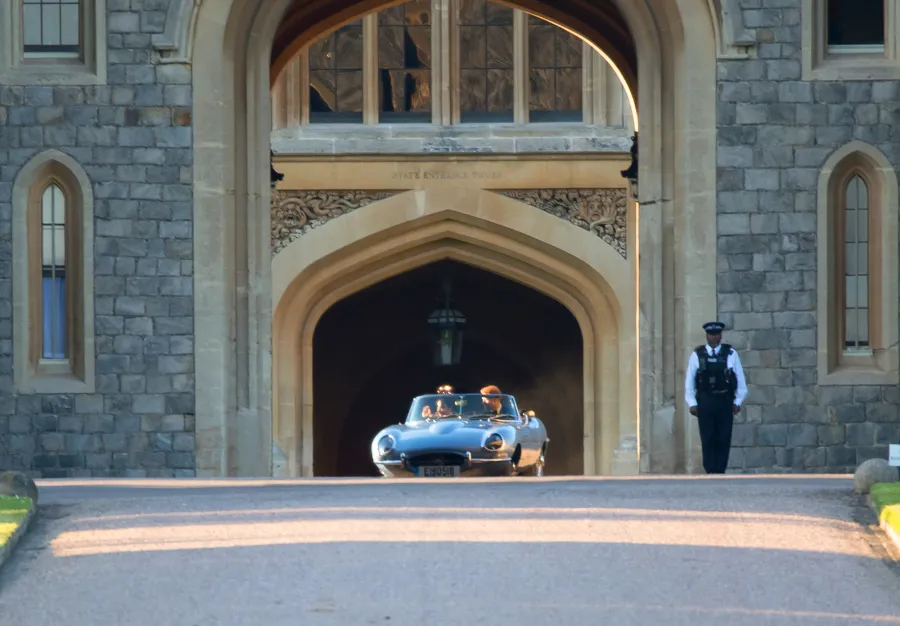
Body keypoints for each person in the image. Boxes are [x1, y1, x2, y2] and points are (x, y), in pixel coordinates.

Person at [684, 321, 748, 474]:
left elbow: (740, 380)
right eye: (711, 335)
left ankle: (720, 469)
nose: (713, 338)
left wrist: (737, 401)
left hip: (724, 400)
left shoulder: (731, 354)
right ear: (707, 336)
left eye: (716, 335)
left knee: (723, 436)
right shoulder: (697, 355)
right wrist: (692, 403)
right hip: (705, 400)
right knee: (707, 436)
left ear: (720, 336)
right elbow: (690, 380)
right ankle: (710, 469)